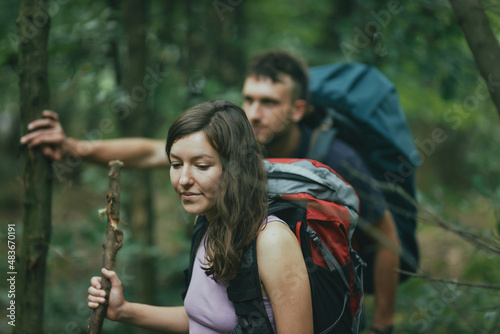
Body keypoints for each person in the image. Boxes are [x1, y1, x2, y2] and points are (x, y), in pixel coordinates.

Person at [21, 49, 400, 334]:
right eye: (176, 165)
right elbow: (212, 319)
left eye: (201, 166)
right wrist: (76, 148)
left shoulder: (282, 221)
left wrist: (384, 323)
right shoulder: (210, 217)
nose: (254, 112)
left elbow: (384, 234)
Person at [87, 100, 313, 333]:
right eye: (176, 164)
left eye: (202, 166)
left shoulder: (272, 241)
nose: (183, 179)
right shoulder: (205, 222)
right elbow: (204, 318)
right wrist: (124, 310)